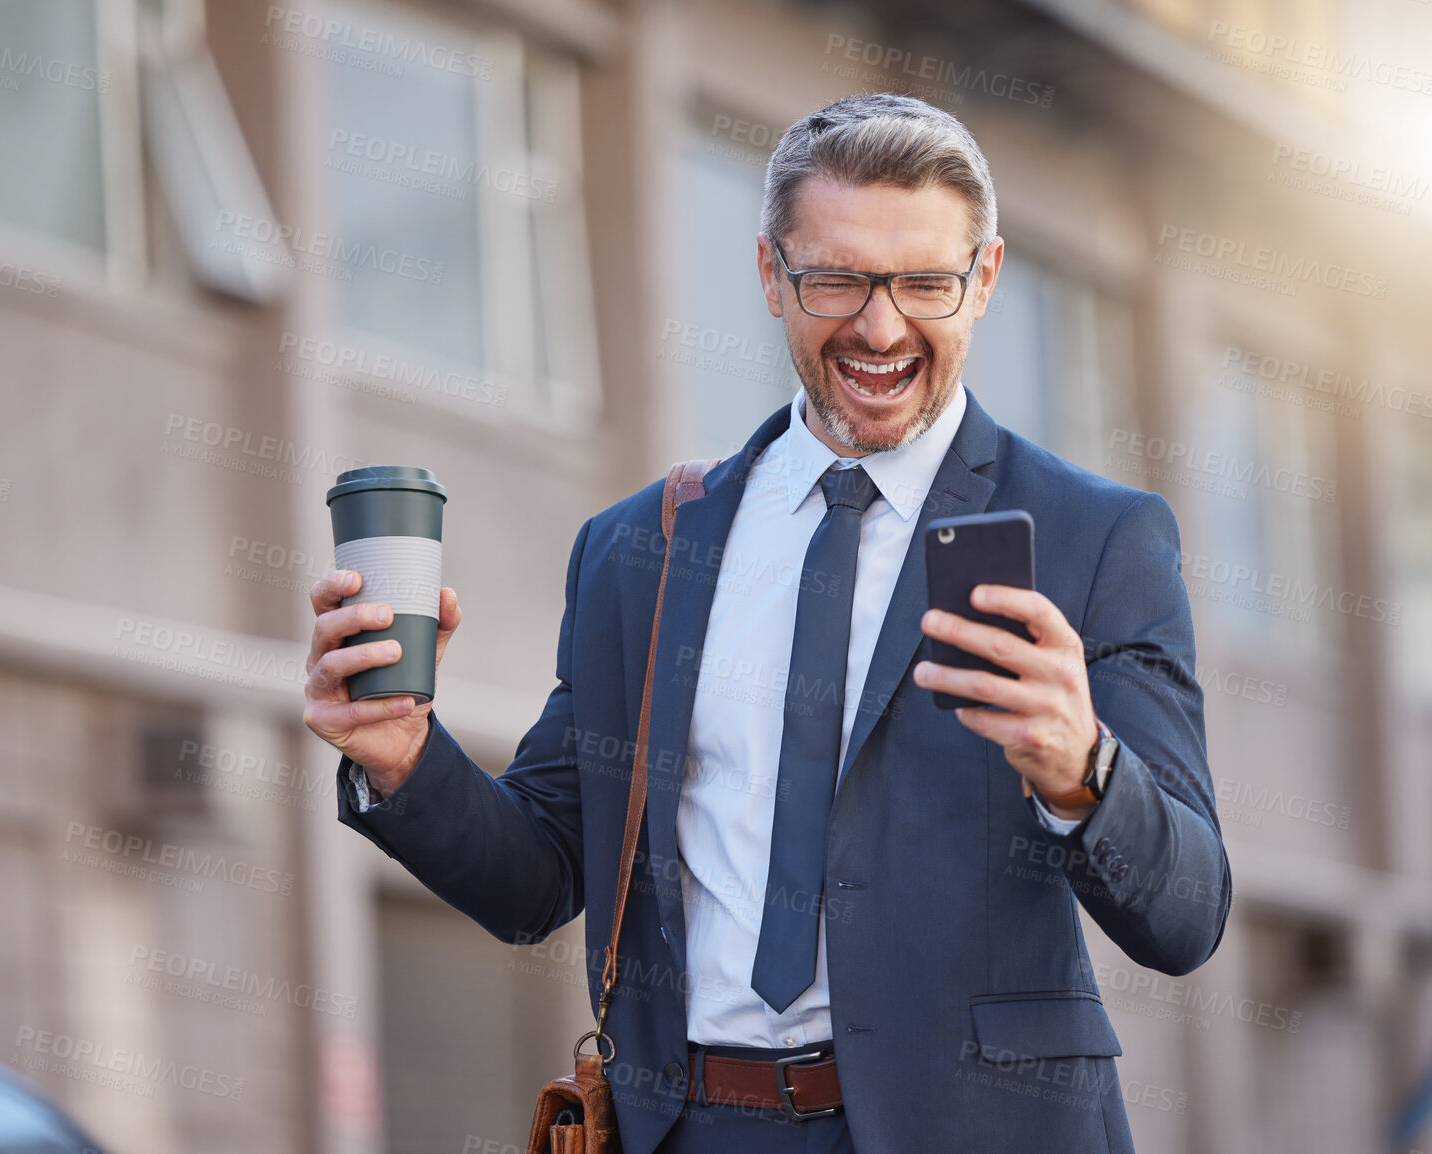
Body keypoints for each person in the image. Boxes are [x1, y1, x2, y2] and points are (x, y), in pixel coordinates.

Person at [304, 93, 1230, 1154]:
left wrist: (1084, 767)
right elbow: (542, 877)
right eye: (835, 278)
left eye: (926, 282)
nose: (880, 327)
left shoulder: (1096, 538)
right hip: (697, 1127)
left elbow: (1187, 915)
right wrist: (404, 758)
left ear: (984, 280)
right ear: (769, 275)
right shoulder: (640, 548)